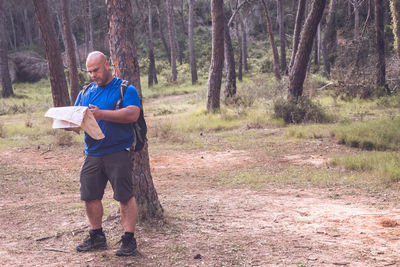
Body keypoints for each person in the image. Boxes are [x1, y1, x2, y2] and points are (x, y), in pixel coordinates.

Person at [74, 51, 140, 256]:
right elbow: (76, 116)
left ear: (107, 65)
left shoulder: (124, 88)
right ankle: (97, 236)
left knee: (124, 196)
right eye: (90, 71)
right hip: (92, 153)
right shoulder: (85, 92)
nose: (93, 75)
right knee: (90, 195)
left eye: (96, 70)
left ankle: (129, 240)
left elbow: (133, 113)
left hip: (117, 151)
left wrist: (102, 114)